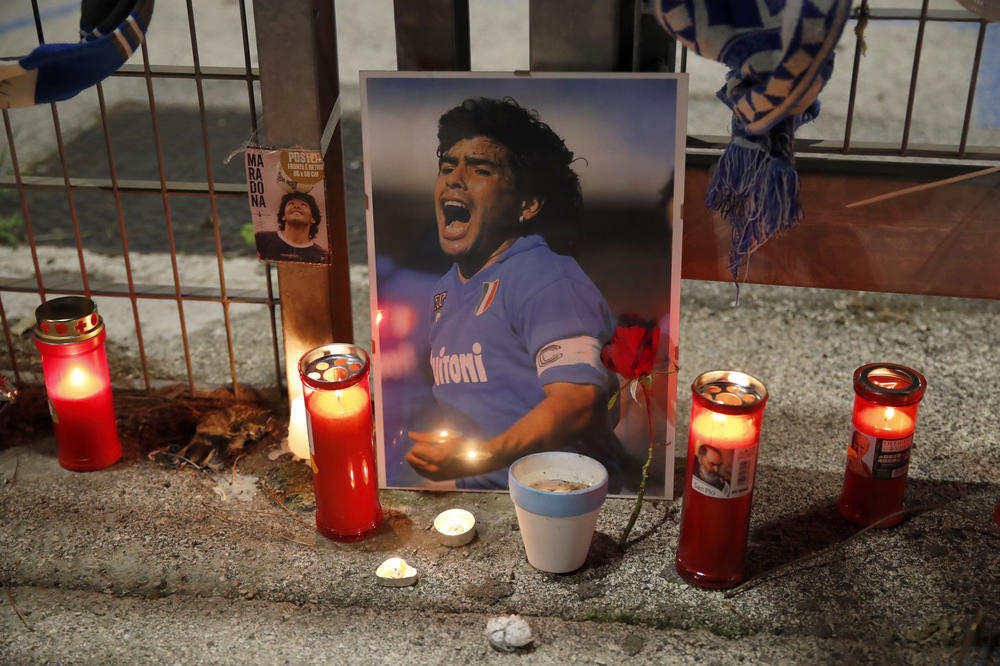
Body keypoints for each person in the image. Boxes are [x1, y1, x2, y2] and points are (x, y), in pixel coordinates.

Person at [404, 97, 630, 490]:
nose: (455, 178)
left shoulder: (546, 278)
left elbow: (576, 403)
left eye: (481, 170)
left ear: (527, 204)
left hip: (565, 497)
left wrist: (482, 457)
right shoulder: (443, 290)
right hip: (486, 497)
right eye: (447, 167)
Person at [255, 191, 328, 262]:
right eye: (291, 203)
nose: (296, 206)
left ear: (313, 219)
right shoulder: (261, 239)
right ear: (283, 216)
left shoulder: (321, 255)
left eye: (303, 205)